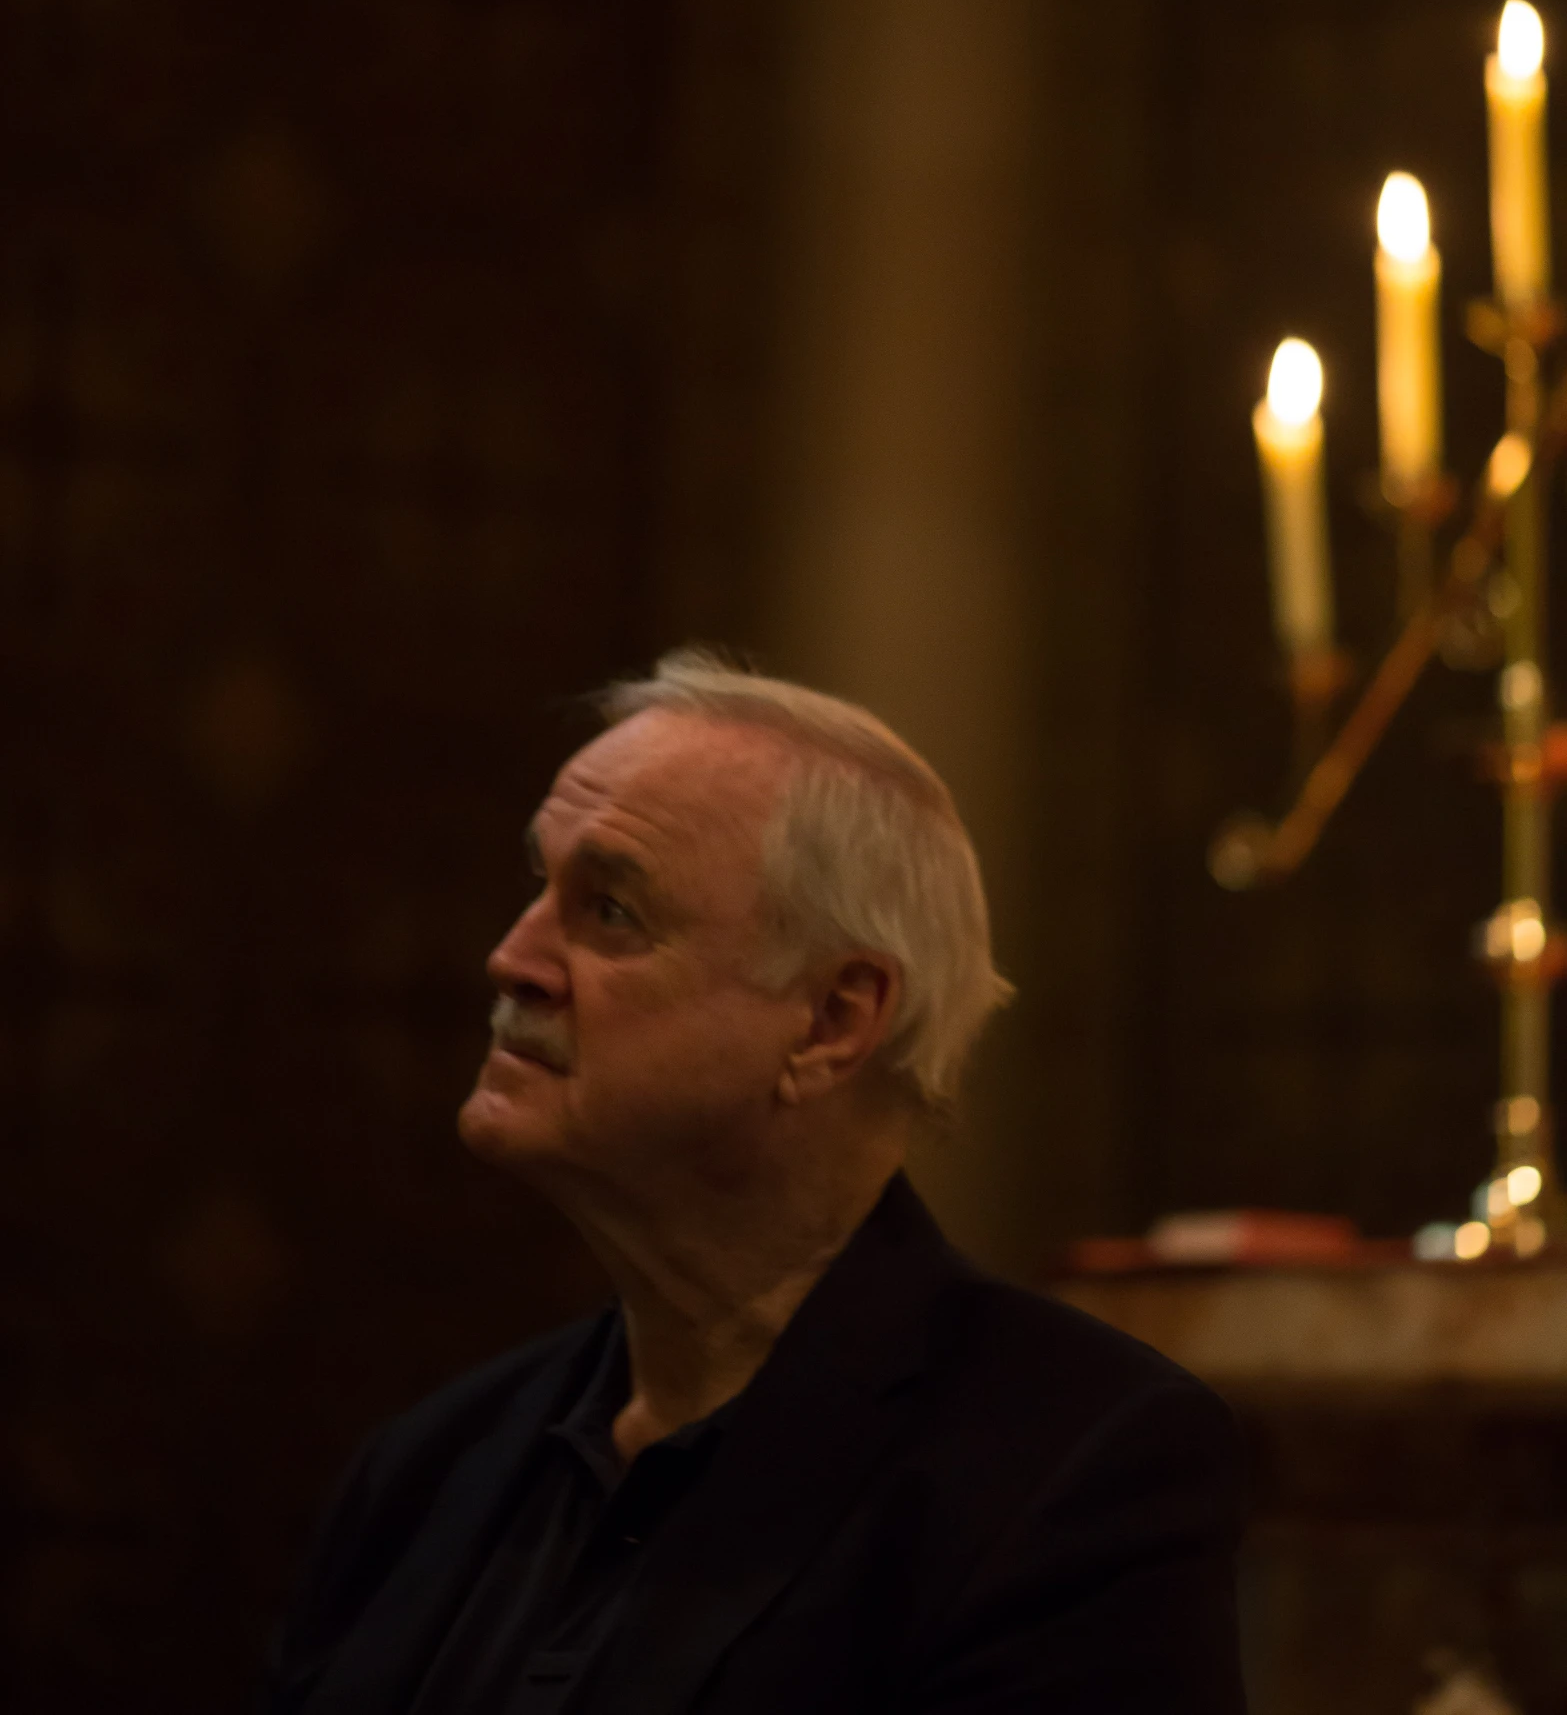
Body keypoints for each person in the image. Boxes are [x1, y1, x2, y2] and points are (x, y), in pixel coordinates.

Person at [261, 650, 1248, 1714]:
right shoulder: (427, 1471)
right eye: (538, 887)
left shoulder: (1070, 1467)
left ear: (831, 1021)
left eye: (611, 912)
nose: (513, 957)